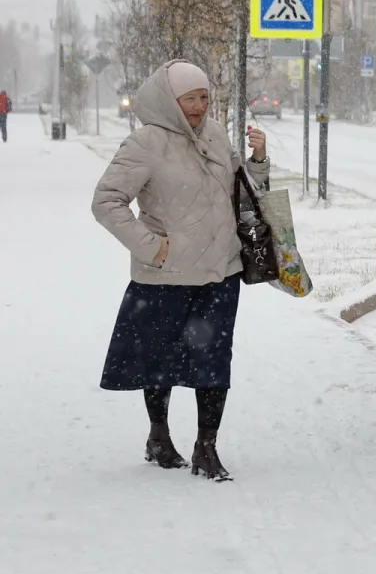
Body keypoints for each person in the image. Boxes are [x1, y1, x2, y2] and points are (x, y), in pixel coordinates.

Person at [91, 61, 269, 481]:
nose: (198, 106)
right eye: (189, 98)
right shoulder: (146, 143)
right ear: (169, 100)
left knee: (214, 360)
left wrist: (258, 160)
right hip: (166, 275)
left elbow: (242, 190)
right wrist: (153, 247)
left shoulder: (216, 134)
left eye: (203, 97)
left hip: (220, 271)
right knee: (160, 360)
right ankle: (159, 435)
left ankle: (206, 447)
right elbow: (106, 202)